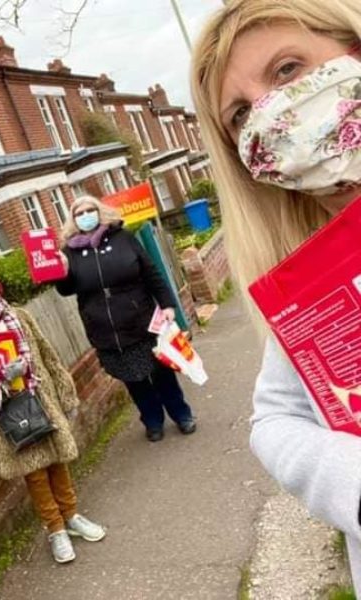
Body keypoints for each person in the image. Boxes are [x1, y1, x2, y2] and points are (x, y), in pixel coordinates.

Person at [189, 0, 361, 591]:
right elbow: (275, 416)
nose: (269, 113)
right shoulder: (312, 274)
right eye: (240, 114)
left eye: (287, 70)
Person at [0, 273, 106, 564]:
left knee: (58, 461)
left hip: (41, 401)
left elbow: (48, 356)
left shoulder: (20, 318)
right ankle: (55, 529)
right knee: (35, 473)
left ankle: (71, 516)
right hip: (8, 415)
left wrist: (66, 394)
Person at [55, 196, 196, 442]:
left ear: (100, 212)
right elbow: (66, 290)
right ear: (73, 220)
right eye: (80, 213)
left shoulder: (123, 238)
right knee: (134, 380)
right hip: (106, 329)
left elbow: (151, 273)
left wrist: (168, 305)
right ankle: (152, 421)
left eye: (91, 210)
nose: (86, 215)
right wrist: (63, 272)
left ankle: (182, 415)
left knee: (161, 372)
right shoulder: (69, 252)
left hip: (142, 320)